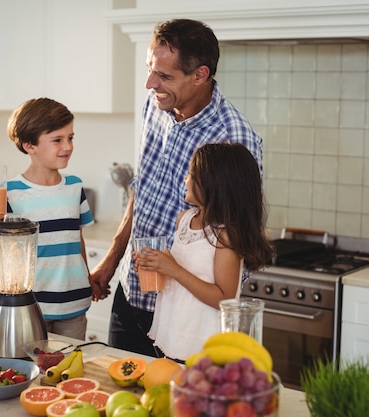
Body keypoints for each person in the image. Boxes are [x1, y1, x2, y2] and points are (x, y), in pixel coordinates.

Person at [89, 18, 264, 356]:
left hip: (185, 314)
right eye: (151, 70)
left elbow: (240, 239)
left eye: (165, 76)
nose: (150, 83)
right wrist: (113, 259)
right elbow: (143, 187)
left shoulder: (234, 138)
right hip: (132, 290)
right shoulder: (157, 106)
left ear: (200, 74)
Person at [134, 143, 274, 361]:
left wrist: (174, 269)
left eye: (191, 173)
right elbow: (182, 273)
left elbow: (224, 298)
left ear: (213, 184)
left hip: (203, 344)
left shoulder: (225, 236)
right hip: (173, 330)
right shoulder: (185, 219)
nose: (185, 179)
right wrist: (158, 265)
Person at [0, 97, 94, 340]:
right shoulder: (10, 192)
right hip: (31, 305)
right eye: (57, 140)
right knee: (31, 369)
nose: (67, 146)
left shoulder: (75, 187)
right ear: (30, 145)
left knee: (68, 370)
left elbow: (76, 240)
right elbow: (4, 249)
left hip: (74, 302)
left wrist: (88, 279)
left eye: (70, 138)